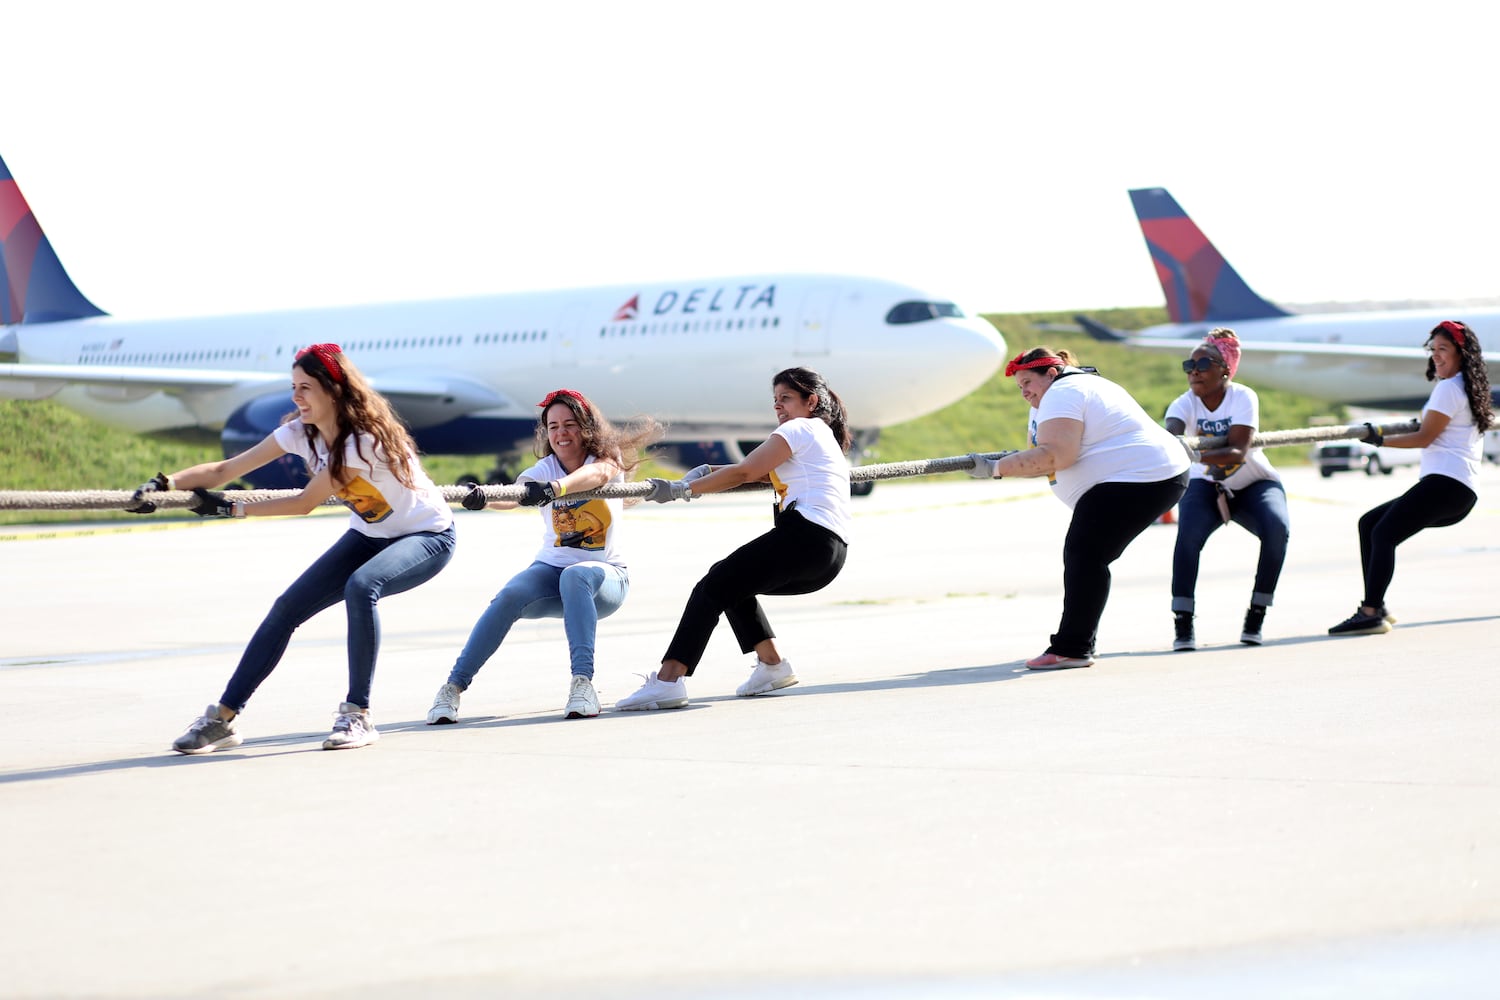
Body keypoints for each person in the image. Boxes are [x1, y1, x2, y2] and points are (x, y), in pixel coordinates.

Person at [132, 343, 457, 753]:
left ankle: (358, 714)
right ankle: (222, 720)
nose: (295, 397)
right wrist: (163, 486)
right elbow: (224, 470)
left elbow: (304, 502)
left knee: (362, 586)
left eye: (305, 388)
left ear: (333, 391)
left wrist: (231, 509)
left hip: (426, 536)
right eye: (293, 387)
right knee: (287, 609)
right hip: (370, 535)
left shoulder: (361, 441)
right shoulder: (299, 433)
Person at [615, 367, 853, 710]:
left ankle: (668, 681)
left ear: (811, 401)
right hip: (829, 554)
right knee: (729, 582)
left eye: (786, 398)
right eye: (775, 400)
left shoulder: (798, 428)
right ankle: (772, 665)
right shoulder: (820, 434)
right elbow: (750, 470)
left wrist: (683, 489)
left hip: (806, 538)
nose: (779, 407)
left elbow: (745, 471)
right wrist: (708, 473)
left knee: (711, 588)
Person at [427, 389, 660, 723]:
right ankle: (452, 688)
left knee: (576, 574)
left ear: (587, 428)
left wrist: (556, 489)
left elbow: (596, 477)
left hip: (603, 580)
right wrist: (481, 498)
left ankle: (583, 684)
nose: (561, 433)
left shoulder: (606, 460)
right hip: (550, 574)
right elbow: (516, 495)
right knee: (509, 595)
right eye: (553, 427)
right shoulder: (543, 468)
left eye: (569, 425)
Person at [969, 347, 1189, 668]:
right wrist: (1006, 462)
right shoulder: (1057, 395)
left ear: (1052, 374)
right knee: (1087, 556)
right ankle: (1078, 643)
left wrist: (994, 469)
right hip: (1146, 476)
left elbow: (1056, 456)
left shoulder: (1064, 392)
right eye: (1019, 386)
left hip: (1138, 477)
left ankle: (1073, 647)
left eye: (1028, 381)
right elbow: (1045, 456)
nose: (1024, 391)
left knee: (1085, 555)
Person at [1329, 320, 1493, 635]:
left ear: (1461, 353)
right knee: (1370, 524)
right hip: (1460, 490)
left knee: (1383, 534)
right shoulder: (1470, 388)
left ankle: (1371, 612)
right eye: (1433, 351)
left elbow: (1424, 437)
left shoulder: (1448, 388)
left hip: (1445, 485)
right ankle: (1377, 604)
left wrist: (1379, 440)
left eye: (1443, 350)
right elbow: (1435, 429)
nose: (1437, 357)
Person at [1163, 329, 1290, 650]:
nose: (1194, 371)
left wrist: (1192, 452)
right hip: (1206, 483)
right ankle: (1183, 623)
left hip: (1253, 481)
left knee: (1277, 529)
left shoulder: (1243, 397)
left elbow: (1236, 451)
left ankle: (1256, 614)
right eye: (1188, 365)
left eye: (1203, 363)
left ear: (1225, 368)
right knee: (1187, 539)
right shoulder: (1183, 403)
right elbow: (1171, 438)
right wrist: (1176, 444)